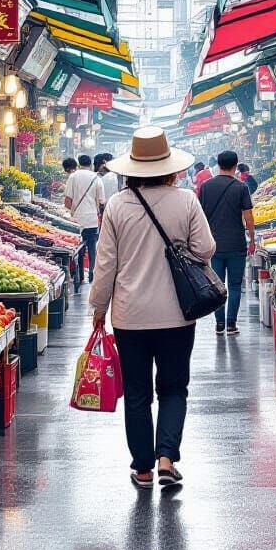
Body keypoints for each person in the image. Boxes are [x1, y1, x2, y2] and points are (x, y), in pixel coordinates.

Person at [90, 127, 215, 490]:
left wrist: (99, 306)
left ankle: (142, 468)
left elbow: (105, 264)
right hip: (178, 313)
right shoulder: (187, 200)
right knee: (174, 388)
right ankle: (166, 458)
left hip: (129, 316)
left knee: (138, 391)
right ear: (171, 168)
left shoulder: (117, 205)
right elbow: (206, 249)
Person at [199, 150, 255, 336]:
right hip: (236, 244)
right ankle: (231, 324)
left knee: (217, 286)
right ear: (235, 165)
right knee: (235, 285)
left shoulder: (206, 187)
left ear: (219, 164)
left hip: (213, 245)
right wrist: (252, 239)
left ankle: (219, 324)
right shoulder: (241, 187)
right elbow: (248, 216)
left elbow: (200, 217)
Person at [65, 154, 105, 292]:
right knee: (92, 248)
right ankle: (93, 275)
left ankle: (80, 276)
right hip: (92, 219)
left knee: (78, 249)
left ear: (79, 163)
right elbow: (101, 202)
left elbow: (68, 200)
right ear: (90, 164)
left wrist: (72, 213)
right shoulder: (97, 179)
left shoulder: (73, 177)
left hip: (77, 220)